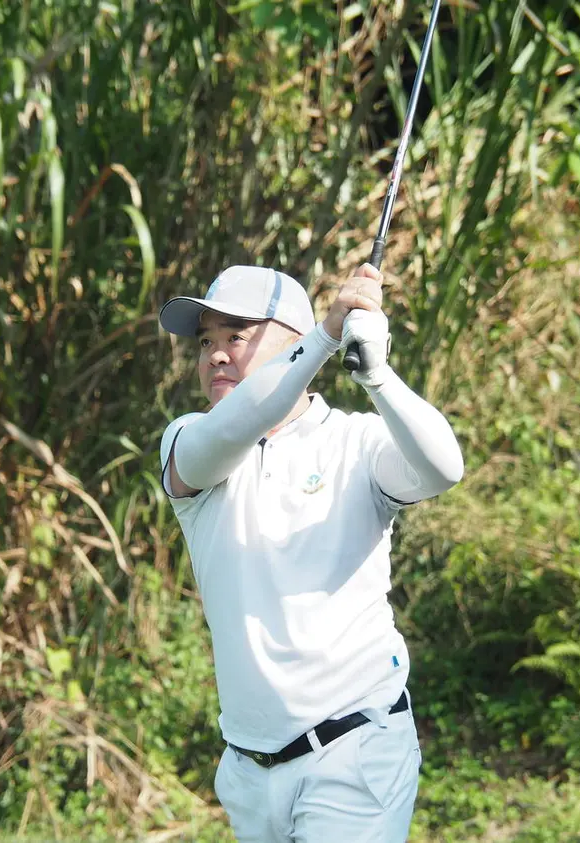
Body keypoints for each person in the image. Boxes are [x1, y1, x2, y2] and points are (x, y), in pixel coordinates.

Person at [156, 263, 464, 843]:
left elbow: (443, 469)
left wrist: (378, 376)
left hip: (354, 751)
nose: (215, 355)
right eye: (205, 341)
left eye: (236, 336)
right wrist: (326, 336)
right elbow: (240, 423)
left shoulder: (356, 441)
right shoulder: (189, 438)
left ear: (291, 342)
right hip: (248, 771)